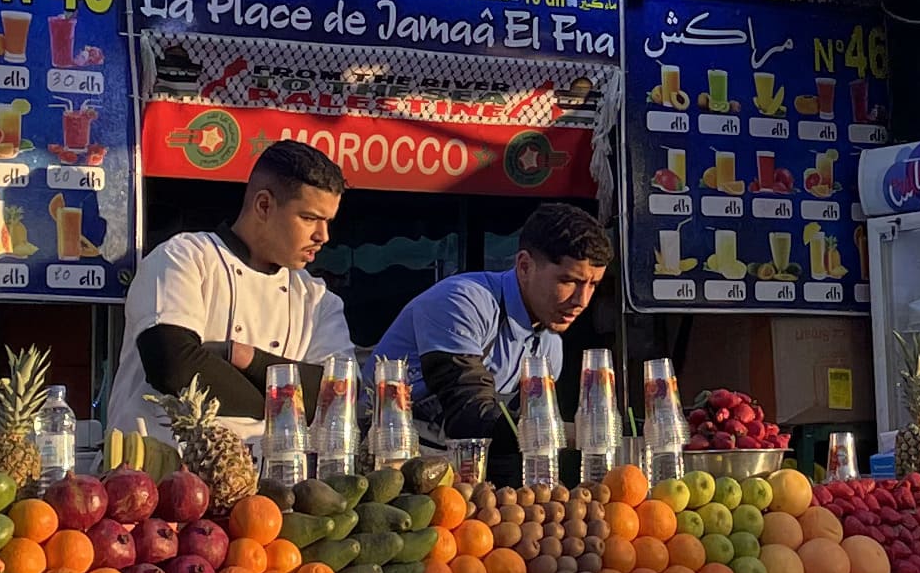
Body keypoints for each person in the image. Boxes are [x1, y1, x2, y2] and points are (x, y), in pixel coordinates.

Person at [106, 142, 354, 442]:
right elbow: (172, 366)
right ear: (263, 205)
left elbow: (338, 396)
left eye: (328, 221)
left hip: (264, 480)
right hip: (152, 473)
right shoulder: (184, 257)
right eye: (309, 218)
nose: (322, 236)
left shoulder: (316, 300)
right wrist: (287, 401)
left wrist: (240, 355)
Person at [372, 204, 613, 456]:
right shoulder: (461, 302)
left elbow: (518, 443)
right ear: (524, 266)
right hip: (385, 459)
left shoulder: (550, 345)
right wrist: (576, 433)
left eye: (593, 285)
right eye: (569, 281)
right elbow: (469, 416)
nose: (582, 300)